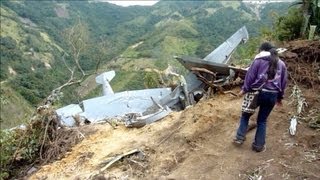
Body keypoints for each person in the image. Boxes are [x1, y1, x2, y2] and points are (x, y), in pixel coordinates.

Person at [233, 42, 288, 152]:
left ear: (262, 50)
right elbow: (283, 82)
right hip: (272, 95)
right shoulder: (281, 64)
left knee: (245, 115)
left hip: (256, 93)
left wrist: (244, 89)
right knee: (262, 121)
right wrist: (279, 98)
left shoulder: (258, 61)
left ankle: (239, 138)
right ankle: (258, 146)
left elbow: (250, 76)